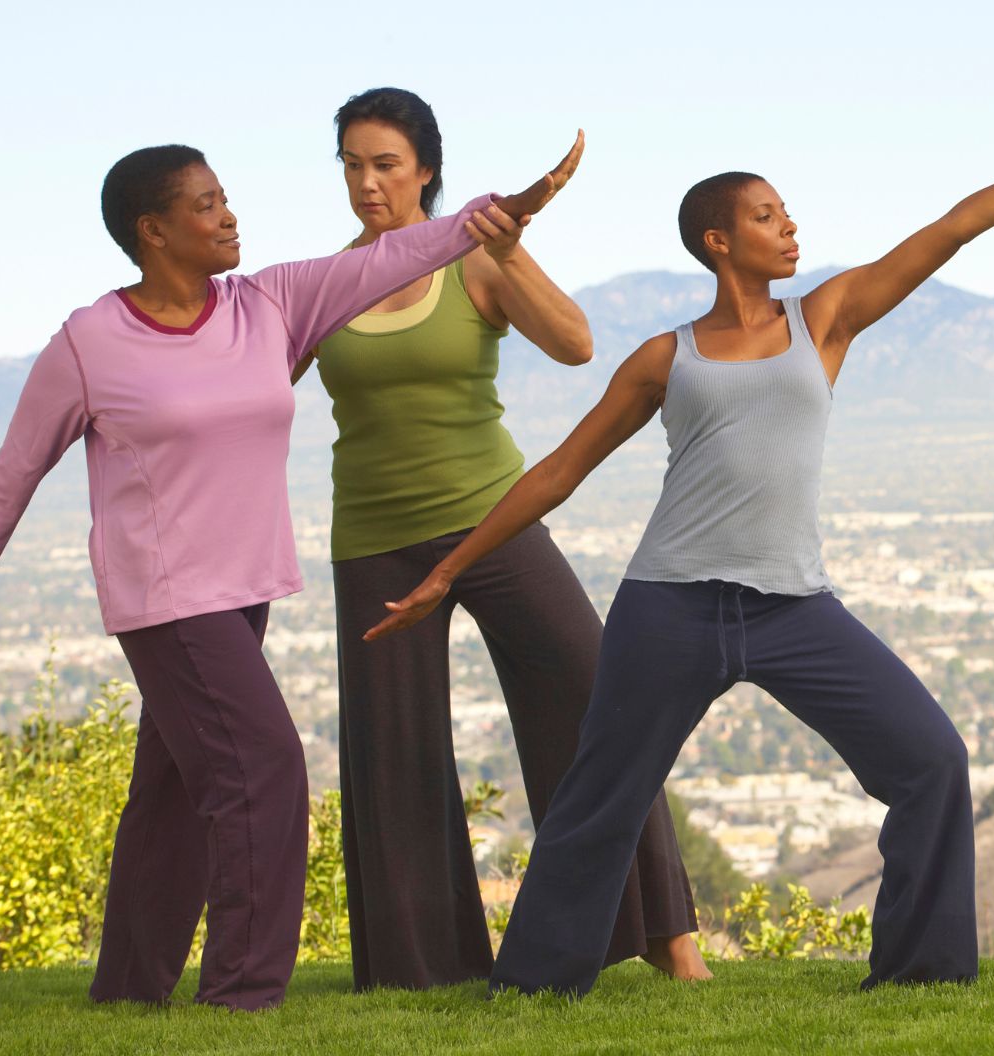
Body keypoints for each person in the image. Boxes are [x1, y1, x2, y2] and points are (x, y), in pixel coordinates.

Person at [365, 80, 994, 996]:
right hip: (668, 604)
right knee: (600, 800)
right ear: (719, 240)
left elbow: (955, 226)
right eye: (766, 216)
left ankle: (922, 972)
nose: (789, 229)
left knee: (932, 760)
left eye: (787, 214)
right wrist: (450, 570)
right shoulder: (666, 357)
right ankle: (537, 987)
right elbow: (555, 473)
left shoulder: (823, 319)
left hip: (794, 606)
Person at [0, 134, 583, 1010]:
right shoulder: (90, 342)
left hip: (242, 591)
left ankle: (127, 992)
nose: (229, 215)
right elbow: (17, 466)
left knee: (175, 791)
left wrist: (499, 212)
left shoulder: (268, 303)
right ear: (153, 230)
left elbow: (409, 249)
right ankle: (242, 996)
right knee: (264, 769)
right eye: (207, 204)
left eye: (226, 198)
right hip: (167, 600)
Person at [290, 88, 706, 990]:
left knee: (601, 699)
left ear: (426, 170)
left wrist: (511, 248)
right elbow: (247, 381)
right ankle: (418, 971)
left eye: (386, 164)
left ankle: (667, 937)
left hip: (492, 519)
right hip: (372, 537)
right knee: (392, 748)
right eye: (353, 165)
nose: (368, 183)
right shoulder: (323, 285)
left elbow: (576, 343)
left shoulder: (473, 262)